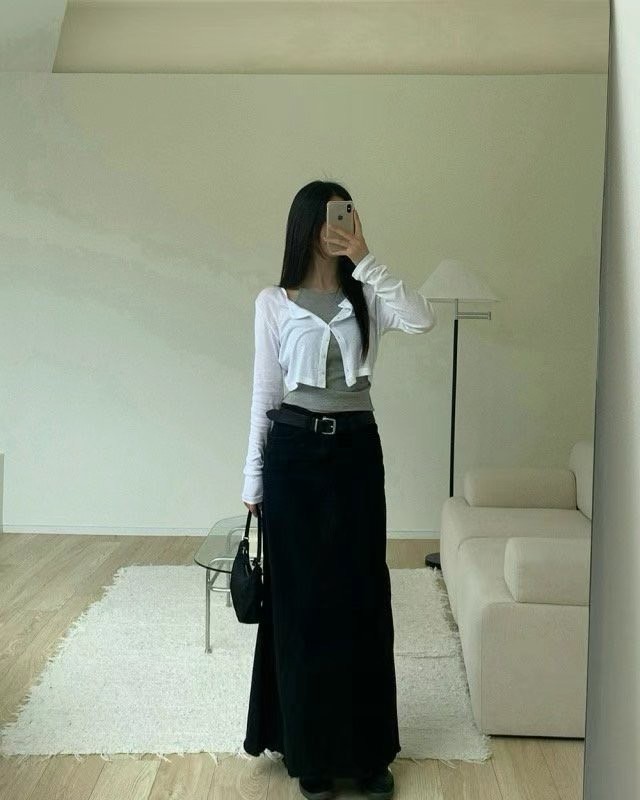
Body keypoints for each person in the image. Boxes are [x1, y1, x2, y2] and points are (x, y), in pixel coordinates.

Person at [240, 180, 437, 800]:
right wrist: (252, 477)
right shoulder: (273, 303)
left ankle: (369, 752)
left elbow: (423, 318)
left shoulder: (368, 294)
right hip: (294, 455)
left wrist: (365, 258)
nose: (338, 224)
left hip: (355, 453)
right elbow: (265, 394)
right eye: (329, 217)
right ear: (305, 224)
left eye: (346, 214)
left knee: (362, 597)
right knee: (301, 604)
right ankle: (313, 753)